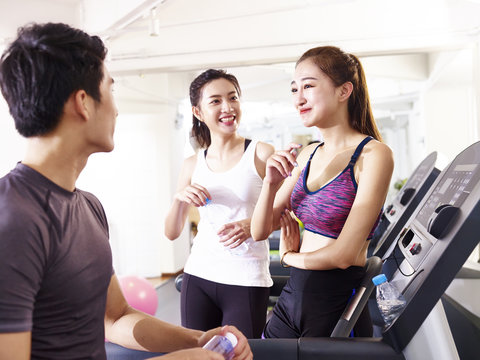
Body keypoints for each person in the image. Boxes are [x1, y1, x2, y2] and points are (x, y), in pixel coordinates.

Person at [0, 22, 252, 360]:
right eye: (111, 90)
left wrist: (195, 340)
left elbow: (115, 318)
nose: (116, 108)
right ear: (83, 103)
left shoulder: (88, 207)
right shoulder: (14, 219)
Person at [251, 46, 394, 338]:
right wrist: (270, 183)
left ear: (344, 91)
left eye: (308, 86)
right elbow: (259, 230)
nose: (298, 98)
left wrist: (288, 256)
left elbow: (342, 255)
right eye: (294, 89)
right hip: (292, 297)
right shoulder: (306, 155)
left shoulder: (374, 155)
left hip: (336, 303)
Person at [164, 69, 275, 339]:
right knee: (199, 355)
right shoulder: (192, 164)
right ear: (198, 112)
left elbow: (287, 211)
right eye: (215, 101)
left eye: (233, 98)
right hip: (199, 274)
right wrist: (180, 199)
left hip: (246, 277)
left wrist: (252, 225)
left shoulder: (261, 154)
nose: (227, 107)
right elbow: (171, 232)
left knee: (241, 355)